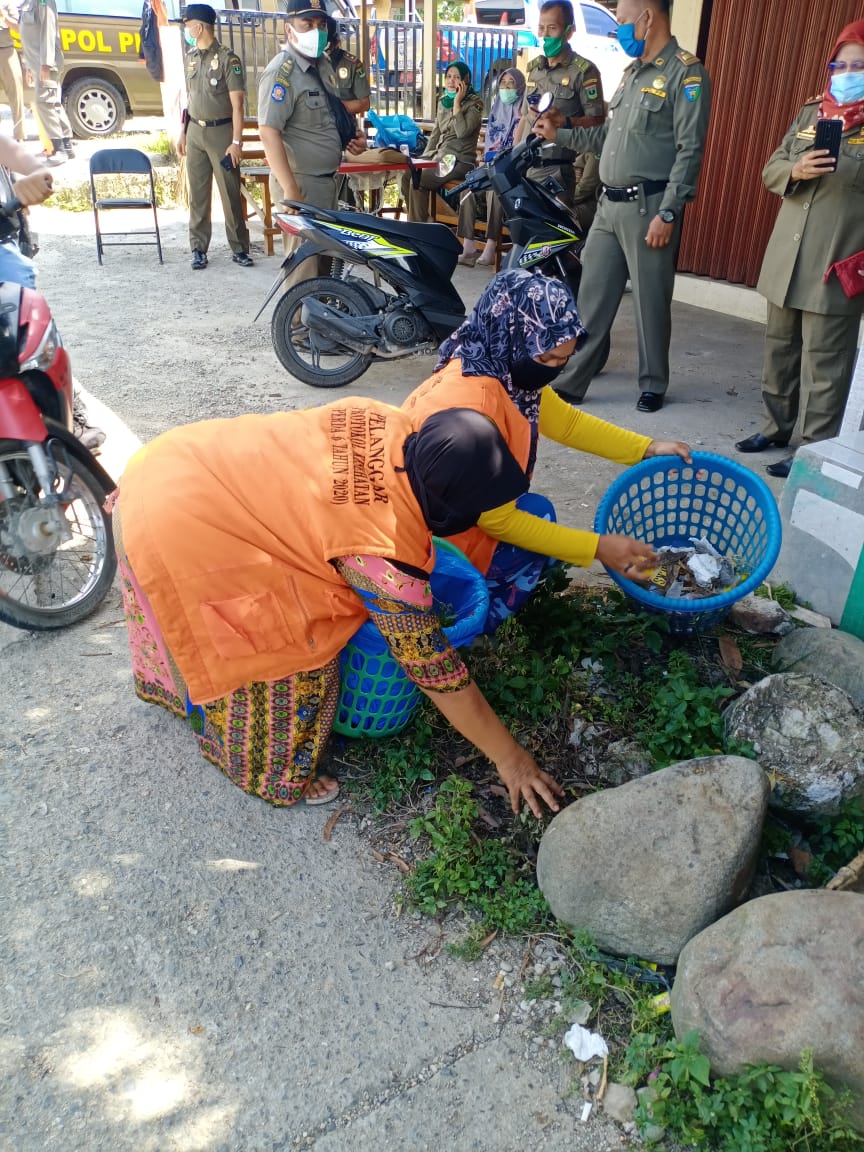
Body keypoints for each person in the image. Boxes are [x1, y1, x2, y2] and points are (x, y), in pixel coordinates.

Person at [111, 401, 566, 818]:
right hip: (180, 526)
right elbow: (433, 669)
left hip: (167, 463)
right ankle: (262, 770)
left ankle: (179, 687)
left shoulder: (387, 420)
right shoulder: (382, 550)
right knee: (296, 658)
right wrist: (513, 760)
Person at [403, 270, 691, 631]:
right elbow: (499, 521)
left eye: (563, 360)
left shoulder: (500, 365)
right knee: (536, 526)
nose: (554, 371)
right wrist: (599, 548)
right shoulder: (473, 404)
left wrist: (647, 447)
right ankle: (467, 619)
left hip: (455, 518)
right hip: (424, 549)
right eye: (547, 360)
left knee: (539, 514)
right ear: (513, 334)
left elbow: (566, 423)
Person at [534, 0, 711, 413]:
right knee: (592, 296)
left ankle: (652, 383)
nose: (620, 31)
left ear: (649, 19)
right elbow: (605, 140)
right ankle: (576, 377)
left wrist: (669, 211)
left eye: (625, 21)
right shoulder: (631, 75)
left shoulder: (686, 73)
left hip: (649, 207)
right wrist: (559, 134)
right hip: (608, 207)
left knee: (650, 301)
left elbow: (690, 150)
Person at [735, 19, 864, 481]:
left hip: (838, 261)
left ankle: (814, 449)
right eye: (840, 64)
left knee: (825, 364)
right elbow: (772, 168)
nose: (846, 72)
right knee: (780, 348)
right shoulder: (813, 113)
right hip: (788, 258)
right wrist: (797, 169)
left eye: (858, 65)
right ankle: (775, 427)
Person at [258, 0, 364, 280]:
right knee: (304, 272)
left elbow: (329, 116)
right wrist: (290, 189)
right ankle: (295, 325)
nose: (317, 31)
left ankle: (319, 324)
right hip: (300, 185)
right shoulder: (282, 72)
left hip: (328, 183)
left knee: (327, 271)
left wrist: (351, 138)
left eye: (321, 25)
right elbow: (268, 132)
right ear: (289, 28)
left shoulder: (323, 65)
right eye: (307, 24)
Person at [177, 4, 253, 271]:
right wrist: (183, 131)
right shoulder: (191, 57)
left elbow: (238, 105)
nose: (187, 30)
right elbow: (190, 98)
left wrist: (236, 142)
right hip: (195, 130)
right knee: (198, 195)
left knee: (230, 193)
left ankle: (240, 248)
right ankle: (198, 248)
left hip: (221, 133)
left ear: (200, 26)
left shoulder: (228, 59)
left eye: (189, 26)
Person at [516, 1, 604, 217]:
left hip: (556, 170)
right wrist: (514, 153)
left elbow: (598, 121)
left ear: (569, 31)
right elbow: (525, 117)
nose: (545, 35)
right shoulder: (535, 69)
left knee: (550, 243)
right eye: (541, 28)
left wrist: (566, 122)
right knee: (521, 234)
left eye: (552, 28)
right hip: (526, 165)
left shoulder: (584, 72)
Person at [457, 67, 525, 268]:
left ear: (519, 86)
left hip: (511, 170)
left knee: (495, 194)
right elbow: (491, 141)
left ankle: (491, 244)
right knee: (467, 189)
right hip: (490, 165)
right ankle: (468, 245)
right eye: (503, 84)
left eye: (510, 84)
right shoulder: (497, 107)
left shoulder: (524, 110)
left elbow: (518, 146)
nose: (505, 88)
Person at [401, 61, 484, 224]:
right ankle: (422, 221)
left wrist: (457, 104)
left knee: (420, 179)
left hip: (458, 160)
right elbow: (436, 134)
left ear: (465, 80)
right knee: (407, 174)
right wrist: (422, 160)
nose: (451, 81)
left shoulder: (475, 104)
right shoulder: (443, 101)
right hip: (438, 156)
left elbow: (462, 132)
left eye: (457, 77)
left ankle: (418, 228)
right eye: (449, 77)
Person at [16, 0, 74, 166]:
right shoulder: (27, 2)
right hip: (36, 62)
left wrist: (46, 64)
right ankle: (67, 147)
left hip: (46, 63)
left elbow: (49, 31)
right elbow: (28, 37)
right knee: (52, 103)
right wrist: (28, 66)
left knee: (44, 103)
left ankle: (59, 149)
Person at [0, 2, 24, 142]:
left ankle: (19, 136)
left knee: (16, 95)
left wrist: (5, 16)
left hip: (6, 51)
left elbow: (19, 29)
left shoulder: (6, 3)